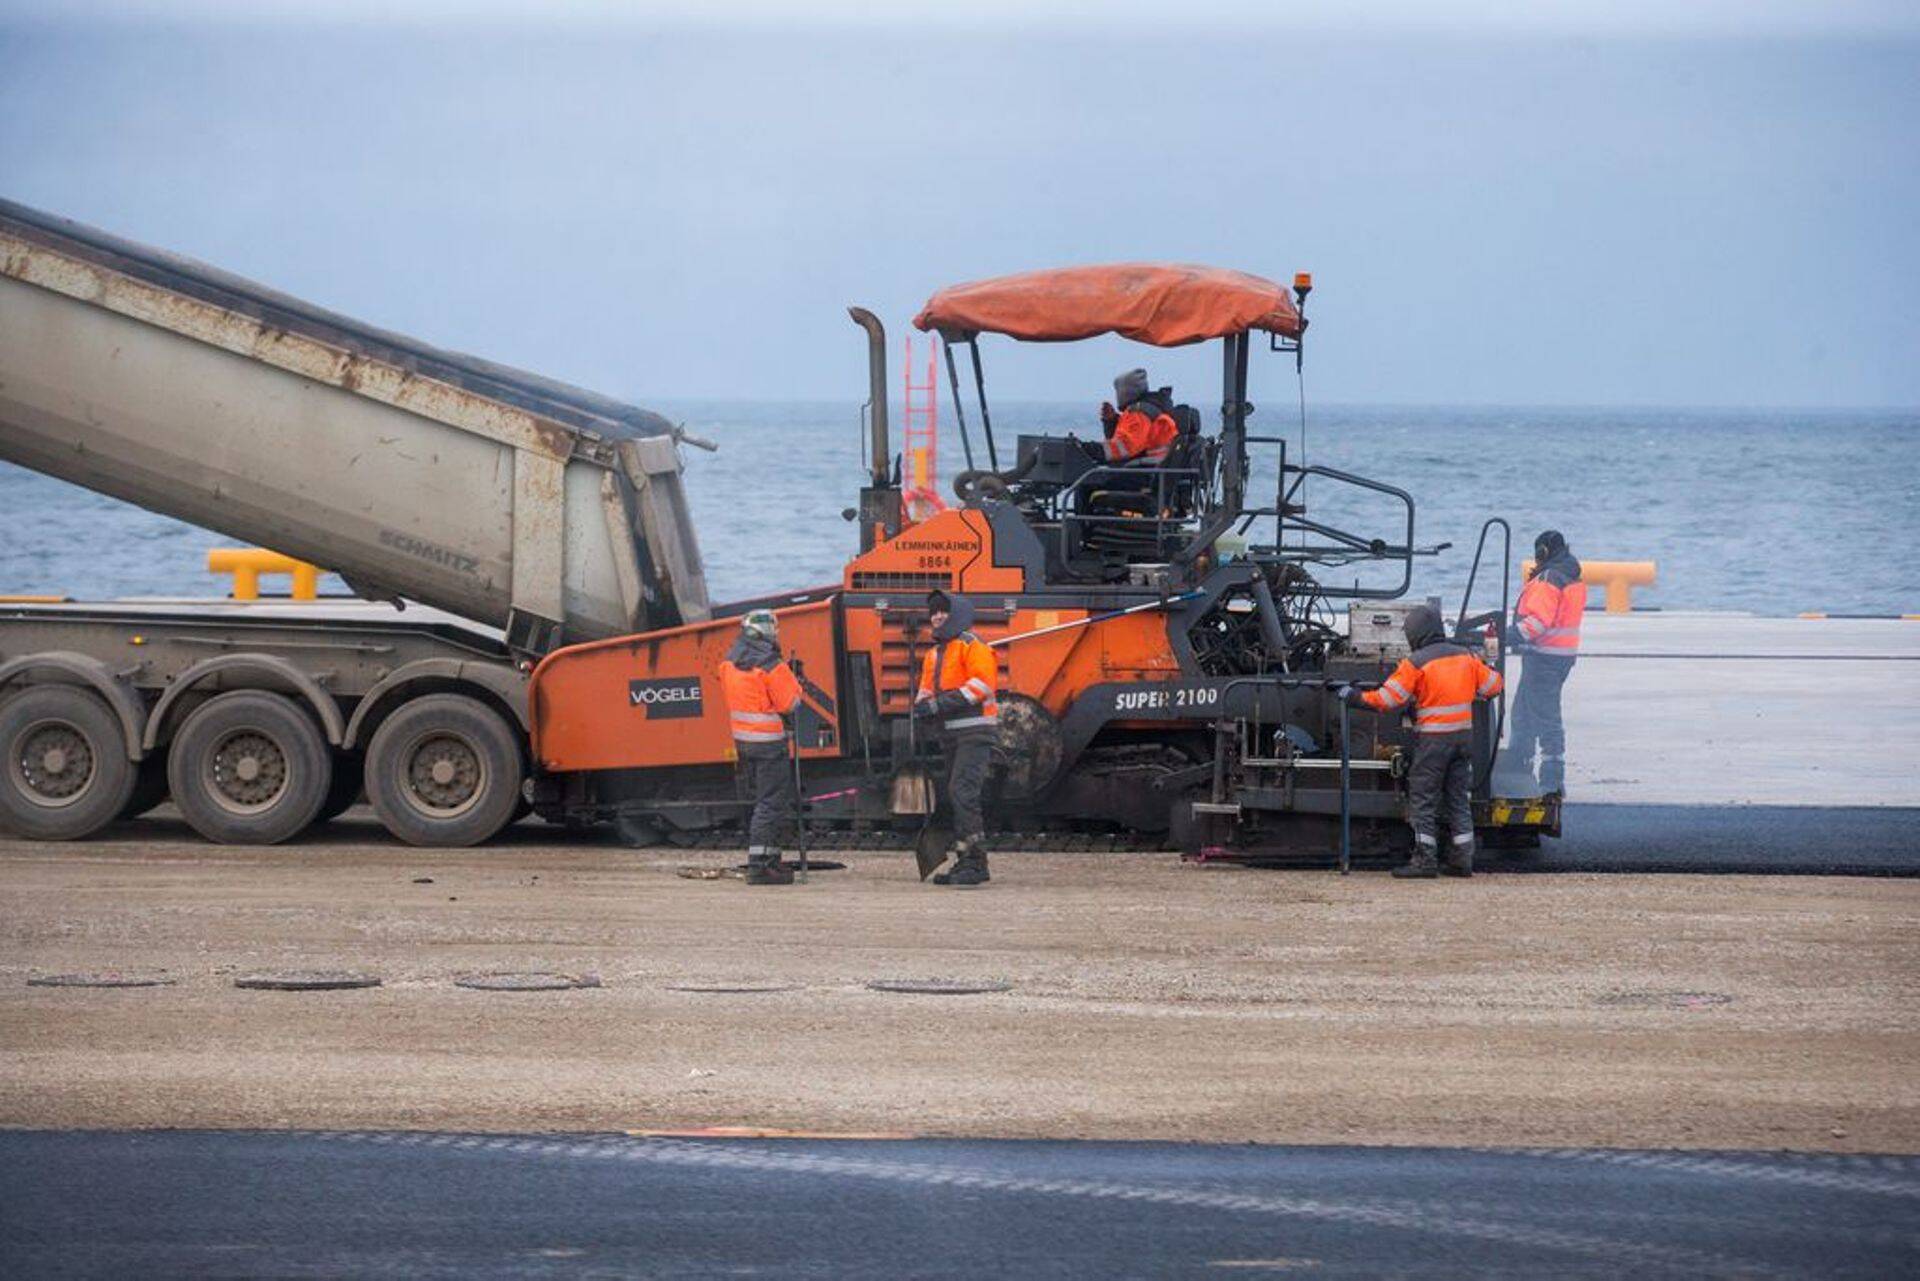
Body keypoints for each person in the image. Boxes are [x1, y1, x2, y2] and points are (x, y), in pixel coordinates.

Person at [1340, 604, 1503, 878]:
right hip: (1463, 740)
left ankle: (1425, 861)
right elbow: (1494, 686)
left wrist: (1354, 696)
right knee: (1458, 798)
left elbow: (1388, 699)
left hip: (1433, 742)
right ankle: (1462, 860)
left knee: (1423, 798)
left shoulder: (1415, 663)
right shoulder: (1466, 657)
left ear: (1414, 634)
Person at [912, 589, 998, 887]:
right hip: (951, 735)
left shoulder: (972, 646)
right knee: (956, 795)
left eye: (942, 611)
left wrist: (939, 704)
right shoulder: (934, 654)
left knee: (963, 794)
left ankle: (975, 863)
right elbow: (926, 690)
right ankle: (966, 861)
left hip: (975, 732)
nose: (936, 616)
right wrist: (922, 705)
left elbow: (981, 686)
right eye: (933, 612)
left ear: (957, 614)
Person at [717, 608, 802, 886]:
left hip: (743, 743)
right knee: (770, 805)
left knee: (761, 803)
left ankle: (770, 859)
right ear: (766, 632)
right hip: (769, 745)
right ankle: (761, 866)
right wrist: (794, 681)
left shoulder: (728, 664)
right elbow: (790, 704)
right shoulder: (771, 665)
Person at [1502, 529, 1585, 795]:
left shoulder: (1549, 578)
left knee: (1545, 717)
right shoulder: (1572, 577)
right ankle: (1518, 764)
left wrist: (1505, 636)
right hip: (1560, 657)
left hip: (1544, 657)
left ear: (1543, 552)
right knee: (1524, 713)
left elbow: (1536, 623)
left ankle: (1551, 780)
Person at [1095, 368, 1181, 466]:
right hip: (1152, 466)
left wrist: (1089, 448)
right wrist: (1111, 421)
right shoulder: (1150, 409)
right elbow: (1133, 440)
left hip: (1145, 471)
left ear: (1126, 391)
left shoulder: (1139, 413)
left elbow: (1125, 447)